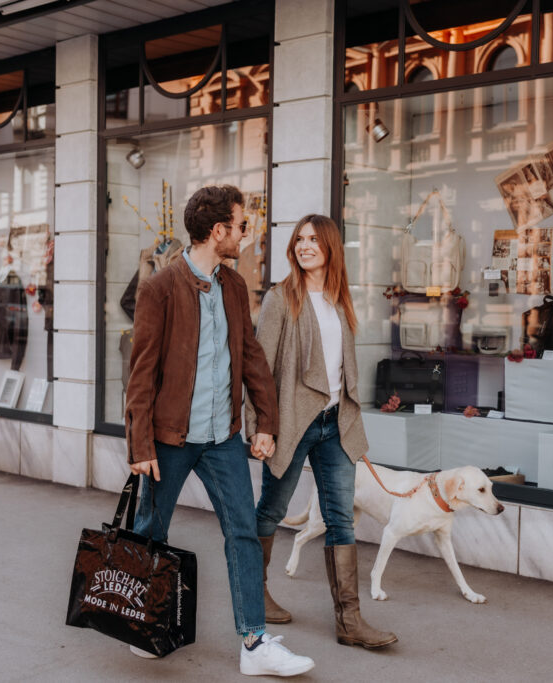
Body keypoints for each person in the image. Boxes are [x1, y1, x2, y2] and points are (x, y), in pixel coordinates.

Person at [126, 185, 315, 677]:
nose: (244, 234)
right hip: (169, 439)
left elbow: (251, 358)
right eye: (240, 225)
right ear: (218, 232)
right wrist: (139, 444)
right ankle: (145, 625)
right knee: (150, 533)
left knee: (243, 532)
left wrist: (266, 423)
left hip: (222, 439)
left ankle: (254, 644)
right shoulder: (160, 288)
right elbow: (141, 374)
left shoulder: (233, 286)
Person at [248, 214, 397, 650]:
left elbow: (344, 366)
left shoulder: (339, 298)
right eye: (299, 239)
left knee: (341, 521)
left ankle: (349, 621)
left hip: (336, 423)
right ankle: (254, 594)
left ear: (331, 246)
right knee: (271, 511)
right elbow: (260, 368)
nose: (304, 245)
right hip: (293, 422)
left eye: (314, 239)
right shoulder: (281, 298)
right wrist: (262, 427)